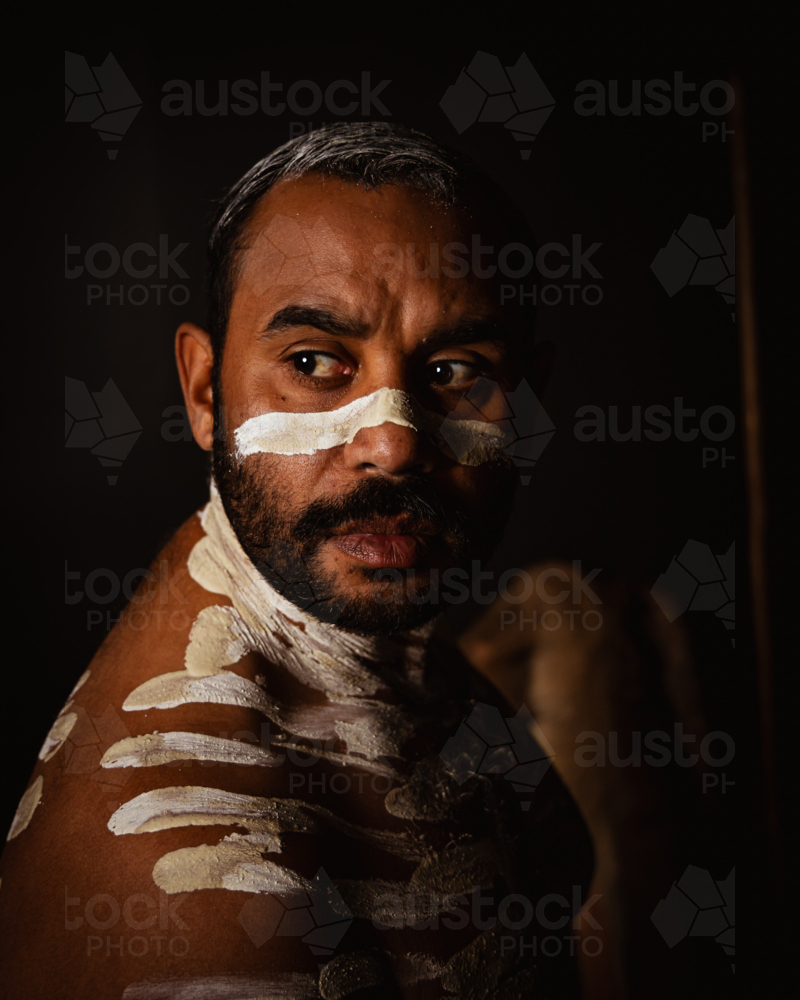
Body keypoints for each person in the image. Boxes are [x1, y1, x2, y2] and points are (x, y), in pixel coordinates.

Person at [0, 123, 591, 998]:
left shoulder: (384, 646)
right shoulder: (205, 901)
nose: (391, 443)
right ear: (207, 394)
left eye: (456, 369)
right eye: (315, 363)